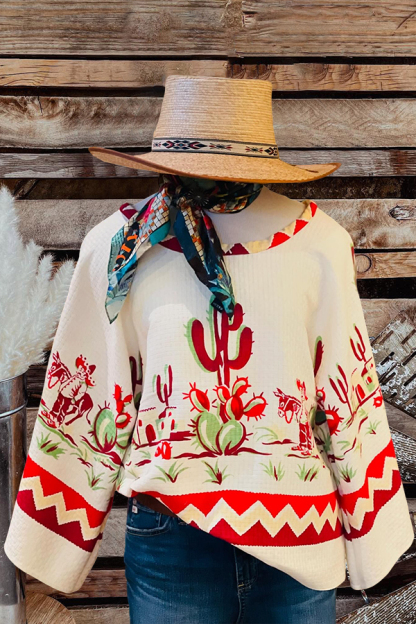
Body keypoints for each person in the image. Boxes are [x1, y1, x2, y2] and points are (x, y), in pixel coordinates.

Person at [5, 75, 414, 624]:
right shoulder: (120, 247)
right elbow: (90, 389)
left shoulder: (320, 246)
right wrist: (54, 535)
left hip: (299, 537)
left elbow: (348, 391)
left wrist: (369, 533)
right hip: (172, 533)